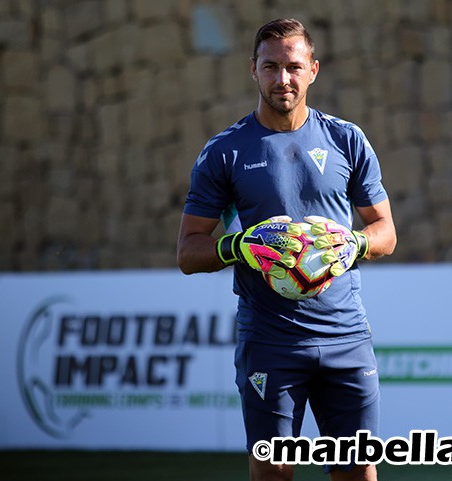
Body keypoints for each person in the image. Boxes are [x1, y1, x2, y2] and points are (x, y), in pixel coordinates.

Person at [177, 18, 396, 481]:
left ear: (313, 70)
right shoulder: (225, 152)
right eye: (270, 66)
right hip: (270, 342)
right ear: (252, 70)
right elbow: (189, 251)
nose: (283, 79)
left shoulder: (346, 139)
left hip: (345, 336)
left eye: (293, 67)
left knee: (358, 472)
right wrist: (240, 245)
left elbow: (385, 232)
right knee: (274, 473)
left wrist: (353, 242)